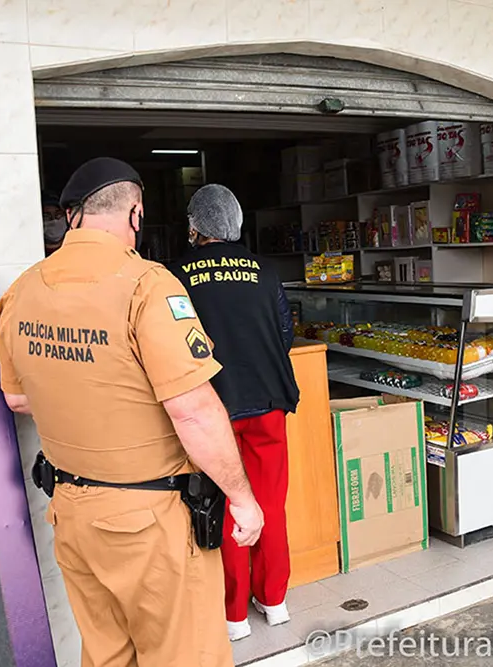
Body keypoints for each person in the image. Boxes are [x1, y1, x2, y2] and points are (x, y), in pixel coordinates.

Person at [0, 158, 264, 667]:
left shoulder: (22, 290)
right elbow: (193, 411)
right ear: (136, 214)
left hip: (71, 512)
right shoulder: (147, 285)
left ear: (70, 216)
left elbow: (18, 397)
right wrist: (242, 498)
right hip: (149, 523)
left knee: (107, 654)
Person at [166, 184, 300, 642]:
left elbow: (170, 347)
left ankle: (233, 615)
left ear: (195, 226)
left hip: (211, 410)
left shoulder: (174, 275)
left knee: (222, 507)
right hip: (268, 404)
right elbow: (285, 334)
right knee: (268, 505)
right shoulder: (264, 271)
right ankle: (275, 600)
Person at [41, 191, 66, 256]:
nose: (54, 220)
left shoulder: (74, 249)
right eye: (46, 216)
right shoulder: (33, 253)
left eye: (58, 214)